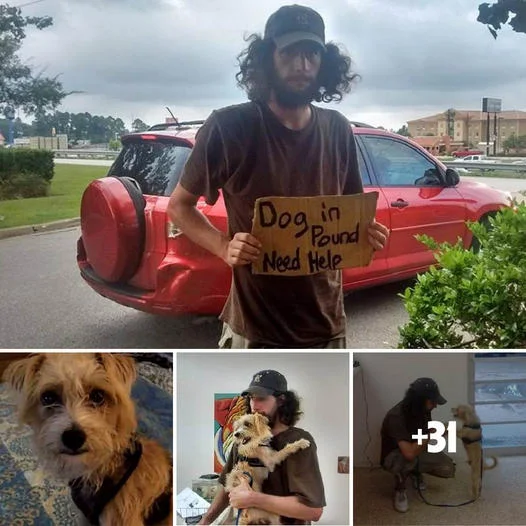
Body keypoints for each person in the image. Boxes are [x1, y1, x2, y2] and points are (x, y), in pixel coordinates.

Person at [168, 4, 389, 348]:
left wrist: (368, 236)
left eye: (311, 54)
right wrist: (223, 246)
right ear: (267, 57)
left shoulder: (338, 129)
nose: (302, 65)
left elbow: (351, 220)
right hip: (254, 328)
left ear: (324, 62)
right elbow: (179, 206)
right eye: (289, 53)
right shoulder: (230, 127)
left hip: (327, 326)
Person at [198, 369, 325, 525]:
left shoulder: (299, 441)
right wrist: (205, 521)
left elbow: (313, 511)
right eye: (251, 399)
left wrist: (254, 499)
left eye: (261, 399)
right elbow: (226, 486)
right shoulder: (243, 439)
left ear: (281, 400)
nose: (254, 406)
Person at [380, 377, 456, 513]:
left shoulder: (424, 411)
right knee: (408, 459)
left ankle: (415, 473)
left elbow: (425, 433)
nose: (436, 405)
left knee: (447, 468)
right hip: (395, 455)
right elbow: (408, 452)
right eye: (433, 402)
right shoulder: (396, 417)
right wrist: (431, 435)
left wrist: (440, 430)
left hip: (414, 448)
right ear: (419, 400)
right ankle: (400, 489)